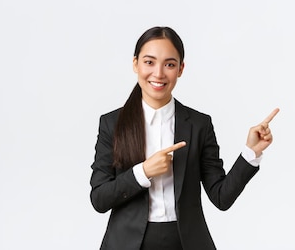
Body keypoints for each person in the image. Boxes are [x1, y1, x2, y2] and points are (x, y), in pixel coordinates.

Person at [89, 26, 279, 250]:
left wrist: (251, 152)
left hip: (186, 243)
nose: (158, 73)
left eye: (169, 64)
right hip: (126, 243)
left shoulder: (199, 125)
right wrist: (143, 172)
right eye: (149, 62)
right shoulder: (112, 124)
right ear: (135, 64)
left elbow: (221, 197)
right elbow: (99, 199)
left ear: (180, 69)